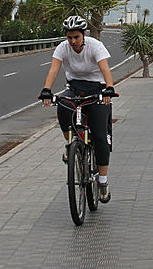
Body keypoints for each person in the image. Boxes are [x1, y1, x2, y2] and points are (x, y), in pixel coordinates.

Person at [39, 15, 116, 203]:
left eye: (76, 37)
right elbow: (54, 70)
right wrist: (47, 90)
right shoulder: (62, 48)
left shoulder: (95, 46)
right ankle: (70, 144)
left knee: (99, 136)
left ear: (83, 35)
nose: (73, 41)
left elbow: (105, 69)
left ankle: (103, 182)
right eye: (69, 37)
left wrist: (109, 88)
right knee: (63, 106)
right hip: (75, 88)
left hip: (97, 89)